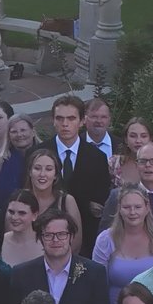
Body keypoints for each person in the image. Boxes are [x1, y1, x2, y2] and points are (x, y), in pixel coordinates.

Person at [44, 94, 115, 223]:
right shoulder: (39, 153)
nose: (65, 124)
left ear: (82, 121)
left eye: (71, 118)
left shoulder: (97, 157)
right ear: (53, 121)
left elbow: (100, 201)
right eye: (60, 118)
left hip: (85, 230)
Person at [92, 186, 153, 297]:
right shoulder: (106, 240)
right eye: (127, 207)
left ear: (147, 208)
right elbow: (97, 282)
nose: (132, 212)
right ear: (119, 209)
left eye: (138, 207)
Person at [21, 147, 85, 246]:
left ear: (56, 175)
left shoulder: (67, 201)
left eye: (49, 169)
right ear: (30, 172)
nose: (42, 174)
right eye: (37, 168)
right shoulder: (19, 199)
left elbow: (76, 243)